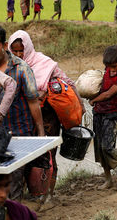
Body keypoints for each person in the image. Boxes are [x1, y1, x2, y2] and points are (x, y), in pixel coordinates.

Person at [9, 30, 78, 201]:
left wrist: (78, 105)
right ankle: (29, 192)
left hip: (47, 118)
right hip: (23, 121)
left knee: (48, 155)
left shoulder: (45, 64)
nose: (19, 55)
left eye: (21, 51)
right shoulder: (8, 67)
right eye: (15, 51)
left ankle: (48, 194)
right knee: (24, 157)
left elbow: (68, 83)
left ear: (28, 48)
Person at [0, 25, 45, 202]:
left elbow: (33, 101)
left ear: (4, 45)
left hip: (19, 132)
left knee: (15, 181)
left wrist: (40, 133)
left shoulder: (22, 69)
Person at [88, 46, 117, 189]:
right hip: (98, 113)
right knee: (100, 149)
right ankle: (108, 179)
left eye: (114, 66)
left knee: (108, 147)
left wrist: (94, 100)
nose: (111, 70)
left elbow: (108, 94)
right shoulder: (108, 70)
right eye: (109, 67)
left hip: (111, 113)